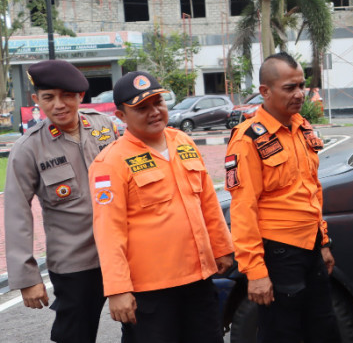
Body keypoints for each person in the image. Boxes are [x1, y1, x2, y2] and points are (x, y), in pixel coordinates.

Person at [88, 71, 234, 342]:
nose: (154, 112)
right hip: (151, 293)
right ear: (121, 117)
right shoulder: (110, 162)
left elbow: (207, 203)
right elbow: (108, 232)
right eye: (142, 108)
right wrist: (117, 289)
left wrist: (222, 247)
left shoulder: (183, 142)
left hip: (199, 281)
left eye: (158, 103)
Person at [226, 52, 339, 342]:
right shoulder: (247, 139)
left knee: (324, 329)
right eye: (290, 88)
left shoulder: (301, 127)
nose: (299, 94)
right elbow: (243, 209)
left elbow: (312, 190)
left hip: (310, 247)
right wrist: (255, 272)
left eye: (302, 85)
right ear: (265, 91)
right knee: (283, 333)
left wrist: (323, 242)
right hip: (278, 253)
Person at [4, 59, 117, 343]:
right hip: (75, 264)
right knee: (75, 335)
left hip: (123, 253)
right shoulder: (28, 148)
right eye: (48, 98)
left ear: (80, 96)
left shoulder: (104, 126)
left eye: (67, 95)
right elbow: (17, 214)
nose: (59, 105)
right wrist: (27, 276)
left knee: (144, 327)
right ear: (35, 100)